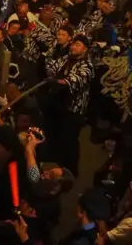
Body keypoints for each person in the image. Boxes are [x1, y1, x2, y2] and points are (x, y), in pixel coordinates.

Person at [45, 34, 94, 174]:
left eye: (77, 45)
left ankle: (71, 171)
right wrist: (50, 72)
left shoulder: (87, 65)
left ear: (85, 49)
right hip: (59, 105)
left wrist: (58, 82)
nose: (73, 47)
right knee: (56, 136)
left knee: (69, 141)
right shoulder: (67, 58)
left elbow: (76, 80)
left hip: (74, 109)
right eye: (73, 44)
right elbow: (53, 65)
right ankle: (55, 165)